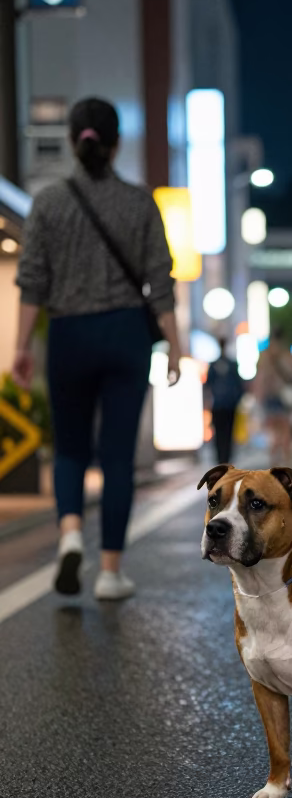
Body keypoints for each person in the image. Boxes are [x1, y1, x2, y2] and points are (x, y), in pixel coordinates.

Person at [12, 96, 180, 601]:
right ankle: (109, 571)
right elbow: (160, 281)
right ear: (115, 144)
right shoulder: (139, 202)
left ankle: (68, 535)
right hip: (126, 334)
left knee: (69, 448)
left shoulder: (49, 203)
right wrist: (175, 344)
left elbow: (32, 281)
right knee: (117, 458)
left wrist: (21, 345)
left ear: (72, 140)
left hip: (68, 335)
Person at [255, 326, 292, 464]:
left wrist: (258, 396)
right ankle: (287, 462)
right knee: (286, 430)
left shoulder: (264, 355)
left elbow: (260, 378)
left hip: (269, 396)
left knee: (273, 431)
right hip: (285, 397)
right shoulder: (287, 354)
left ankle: (274, 462)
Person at [206, 337, 245, 463]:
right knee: (227, 433)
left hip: (221, 404)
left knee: (221, 433)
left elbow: (207, 386)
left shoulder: (216, 365)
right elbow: (239, 385)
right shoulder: (231, 365)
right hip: (227, 405)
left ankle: (222, 459)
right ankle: (225, 458)